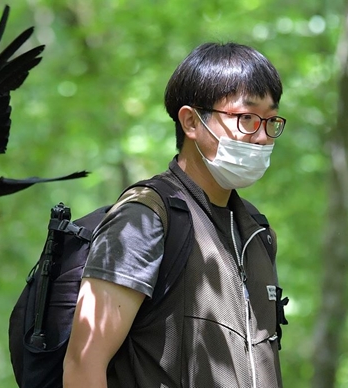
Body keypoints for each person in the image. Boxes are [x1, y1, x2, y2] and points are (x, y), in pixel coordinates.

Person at [63, 42, 286, 387]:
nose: (261, 136)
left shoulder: (256, 231)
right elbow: (83, 364)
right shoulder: (144, 218)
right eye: (246, 118)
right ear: (191, 122)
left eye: (271, 120)